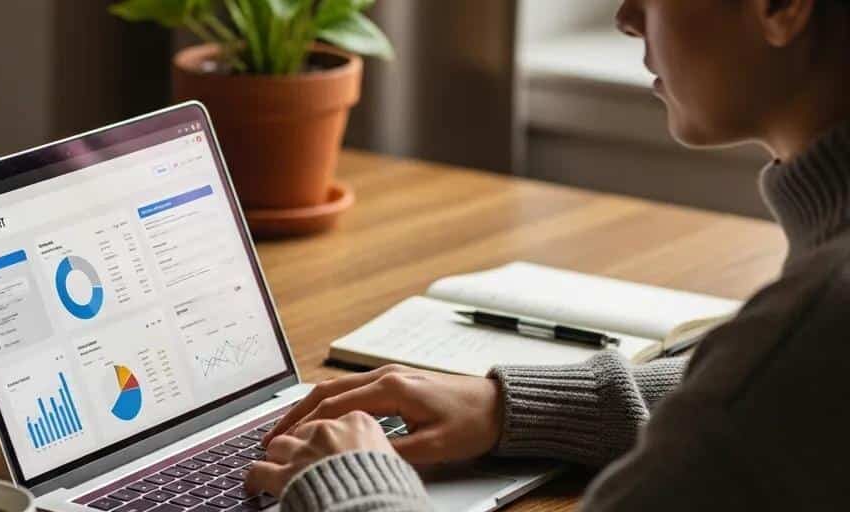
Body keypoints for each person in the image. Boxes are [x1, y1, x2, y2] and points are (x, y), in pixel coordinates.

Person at [245, 0, 850, 510]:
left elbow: (771, 385)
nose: (626, 17)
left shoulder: (808, 328)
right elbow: (780, 405)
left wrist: (353, 485)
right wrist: (513, 407)